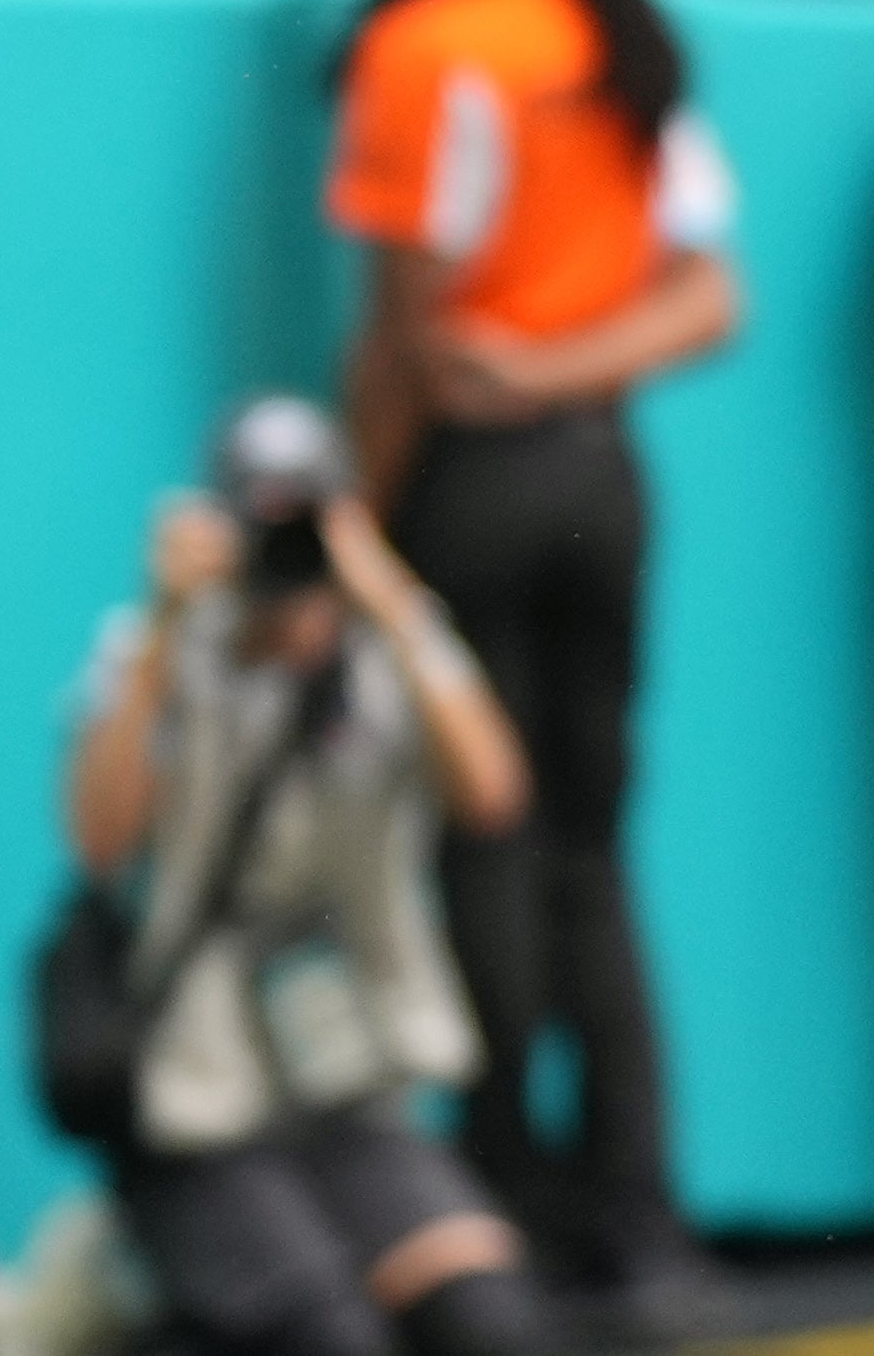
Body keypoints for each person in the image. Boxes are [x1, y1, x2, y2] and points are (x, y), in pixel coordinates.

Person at [324, 0, 744, 1334]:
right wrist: (575, 369)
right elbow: (711, 292)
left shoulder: (426, 45)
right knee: (590, 851)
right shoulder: (611, 30)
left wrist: (362, 526)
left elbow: (405, 344)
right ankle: (634, 1215)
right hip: (605, 484)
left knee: (480, 843)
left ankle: (498, 1200)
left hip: (474, 492)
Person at [59, 398, 558, 1356]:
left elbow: (494, 795)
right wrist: (165, 624)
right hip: (196, 1095)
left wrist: (392, 599)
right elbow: (100, 838)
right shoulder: (161, 652)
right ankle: (136, 1273)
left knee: (491, 1323)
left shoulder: (388, 652)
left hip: (349, 1087)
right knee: (330, 1334)